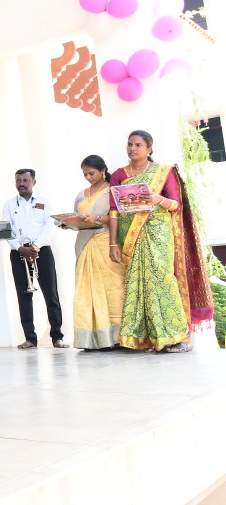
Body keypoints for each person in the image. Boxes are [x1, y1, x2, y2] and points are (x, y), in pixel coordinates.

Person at [109, 131, 213, 352]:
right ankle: (147, 338)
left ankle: (179, 337)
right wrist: (113, 243)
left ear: (149, 149)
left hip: (158, 231)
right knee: (137, 284)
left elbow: (176, 205)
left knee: (163, 279)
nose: (132, 148)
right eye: (129, 144)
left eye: (138, 145)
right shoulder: (118, 175)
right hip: (130, 234)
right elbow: (113, 212)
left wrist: (159, 199)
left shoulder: (163, 172)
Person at [1, 169, 67, 349]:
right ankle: (30, 338)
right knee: (24, 295)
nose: (21, 183)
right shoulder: (9, 204)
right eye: (18, 180)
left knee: (51, 294)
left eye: (26, 180)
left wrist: (35, 246)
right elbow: (7, 230)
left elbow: (49, 226)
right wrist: (19, 248)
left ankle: (57, 337)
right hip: (19, 252)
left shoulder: (44, 201)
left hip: (41, 251)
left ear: (34, 182)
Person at [66, 156, 124, 350]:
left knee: (112, 290)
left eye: (91, 173)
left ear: (103, 170)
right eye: (85, 174)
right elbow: (76, 215)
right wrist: (68, 223)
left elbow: (119, 217)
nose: (88, 178)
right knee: (86, 291)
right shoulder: (81, 194)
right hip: (84, 245)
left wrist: (99, 217)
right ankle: (92, 340)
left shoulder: (112, 191)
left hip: (105, 243)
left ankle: (116, 338)